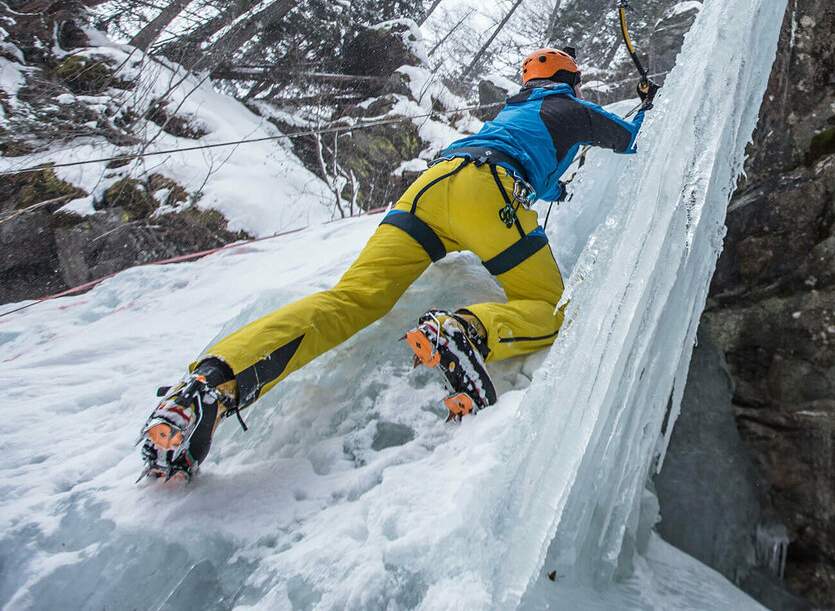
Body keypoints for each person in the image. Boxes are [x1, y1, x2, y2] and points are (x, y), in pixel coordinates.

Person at [138, 48, 657, 483]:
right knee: (551, 305)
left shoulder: (511, 114)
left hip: (426, 190)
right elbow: (634, 138)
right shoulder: (567, 108)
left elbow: (543, 167)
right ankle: (467, 333)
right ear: (567, 80)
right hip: (487, 193)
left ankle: (211, 385)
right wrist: (649, 107)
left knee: (353, 299)